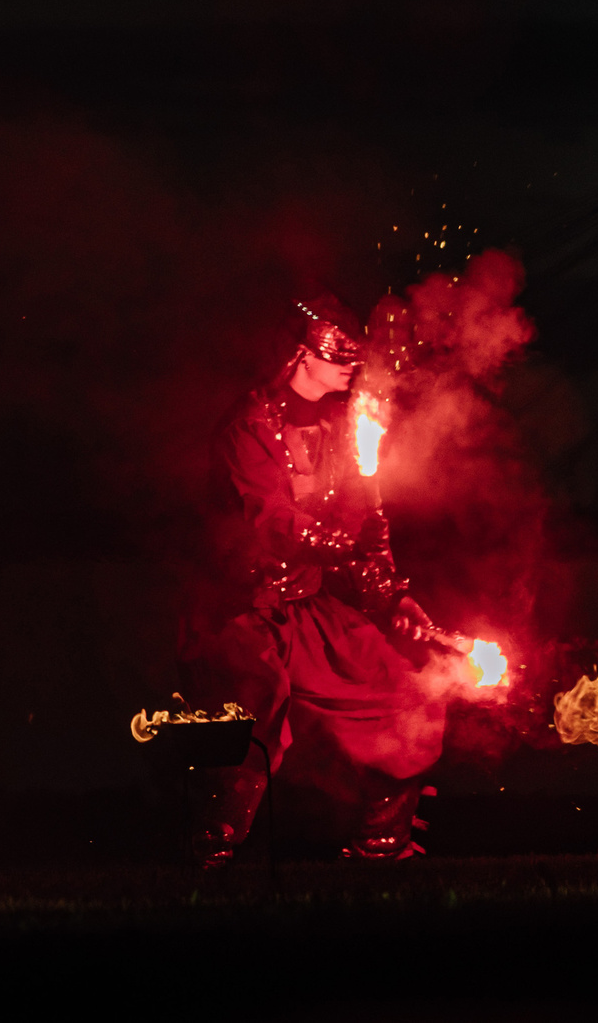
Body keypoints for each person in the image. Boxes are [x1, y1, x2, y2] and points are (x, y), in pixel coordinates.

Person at [181, 291, 447, 866]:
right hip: (240, 607)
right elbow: (269, 519)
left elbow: (368, 522)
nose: (354, 365)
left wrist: (396, 597)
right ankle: (208, 856)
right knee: (250, 710)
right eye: (340, 354)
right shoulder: (246, 426)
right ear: (299, 355)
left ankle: (381, 851)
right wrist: (342, 550)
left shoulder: (346, 430)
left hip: (307, 601)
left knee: (401, 693)